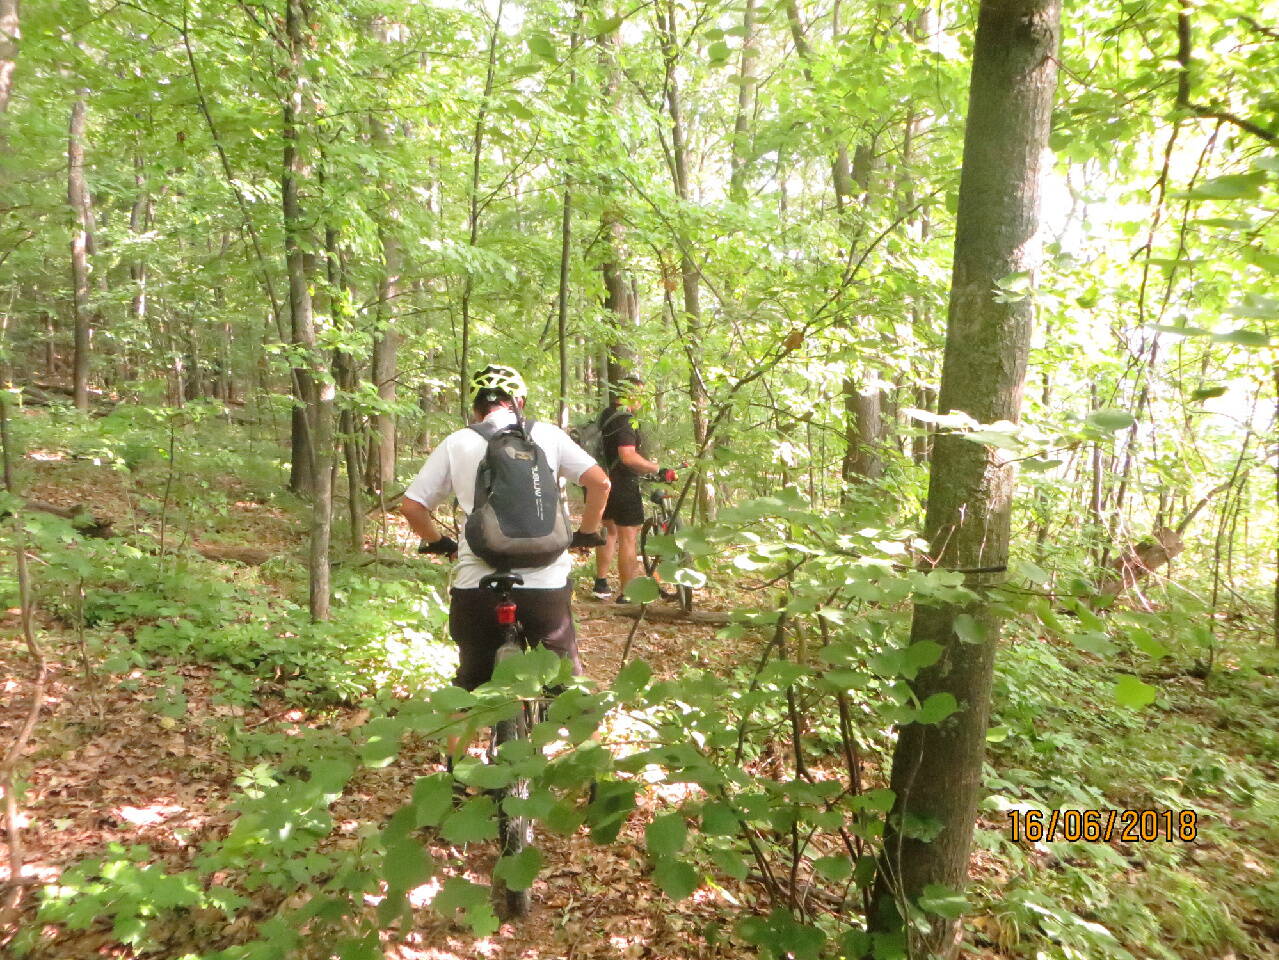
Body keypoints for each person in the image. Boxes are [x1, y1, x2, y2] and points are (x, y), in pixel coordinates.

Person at [400, 364, 611, 694]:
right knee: (564, 689)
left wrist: (440, 542)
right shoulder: (549, 435)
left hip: (478, 583)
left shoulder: (458, 442)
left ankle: (463, 727)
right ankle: (574, 723)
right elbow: (600, 483)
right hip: (545, 582)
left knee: (471, 689)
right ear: (519, 402)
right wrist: (586, 532)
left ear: (477, 409)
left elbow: (412, 507)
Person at [591, 375, 677, 601]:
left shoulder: (607, 415)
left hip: (602, 480)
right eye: (640, 394)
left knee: (610, 530)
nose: (642, 399)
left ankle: (601, 584)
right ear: (629, 394)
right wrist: (657, 468)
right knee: (628, 535)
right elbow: (627, 456)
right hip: (623, 483)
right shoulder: (625, 421)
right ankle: (627, 593)